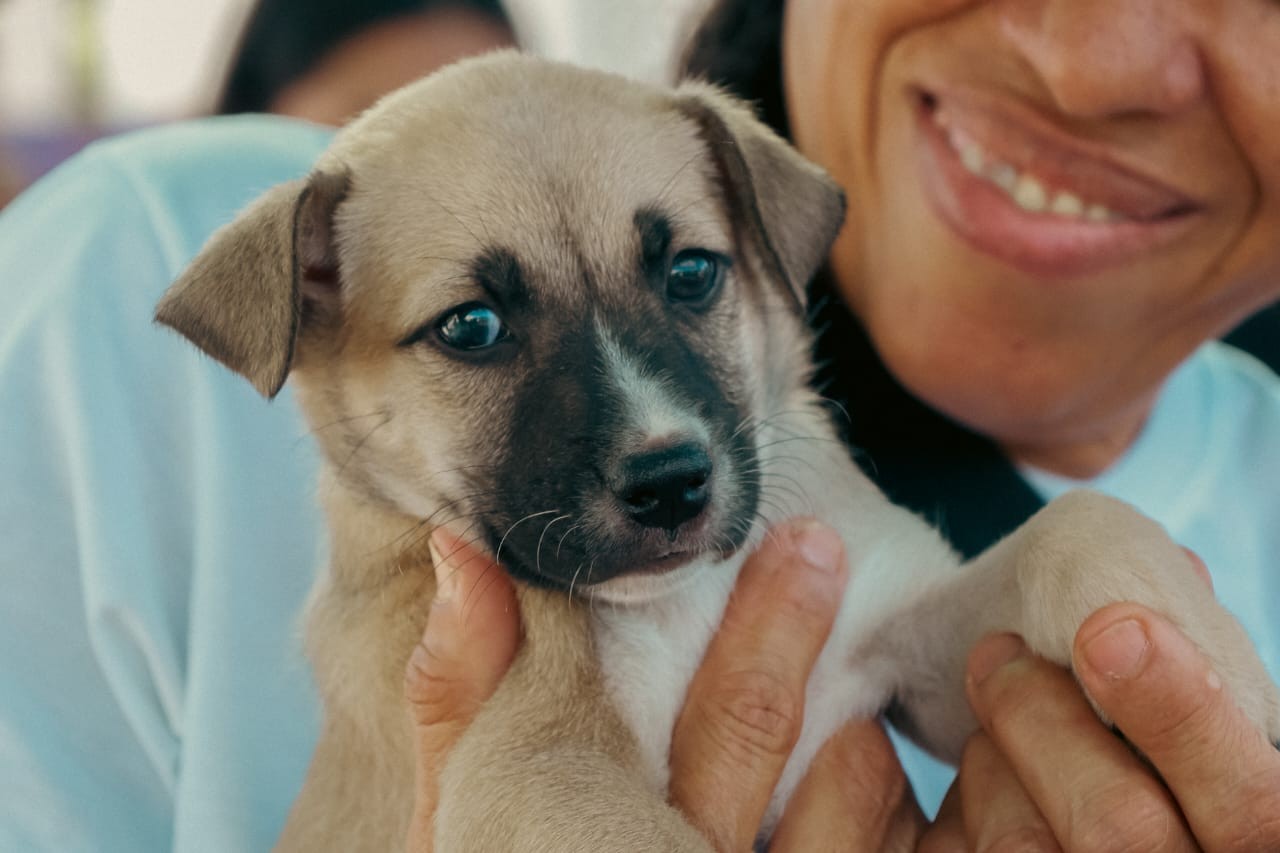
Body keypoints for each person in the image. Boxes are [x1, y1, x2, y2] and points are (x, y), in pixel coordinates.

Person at [0, 3, 1276, 853]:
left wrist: (1084, 570)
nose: (651, 434)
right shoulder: (121, 292)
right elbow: (531, 791)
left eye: (683, 282)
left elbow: (941, 658)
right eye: (476, 333)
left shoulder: (792, 453)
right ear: (311, 315)